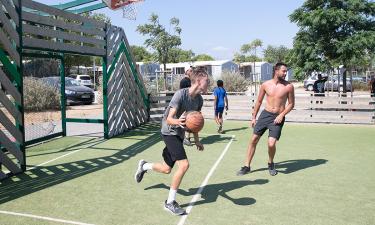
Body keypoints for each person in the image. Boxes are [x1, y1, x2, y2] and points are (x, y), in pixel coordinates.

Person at [134, 68, 209, 215]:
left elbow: (195, 124)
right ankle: (170, 203)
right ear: (199, 81)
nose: (209, 84)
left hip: (179, 134)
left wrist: (197, 141)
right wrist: (178, 121)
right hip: (169, 131)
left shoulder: (199, 100)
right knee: (184, 165)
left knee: (166, 169)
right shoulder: (180, 95)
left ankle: (144, 166)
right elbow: (169, 119)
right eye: (207, 81)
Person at [237, 62, 295, 176]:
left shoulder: (289, 86)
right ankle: (246, 166)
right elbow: (258, 101)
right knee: (253, 139)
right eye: (283, 71)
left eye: (286, 71)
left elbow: (291, 104)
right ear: (276, 71)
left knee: (271, 143)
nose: (285, 73)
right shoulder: (265, 85)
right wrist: (253, 117)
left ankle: (271, 163)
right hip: (265, 115)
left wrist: (281, 115)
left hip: (278, 117)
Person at [180, 66, 194, 146]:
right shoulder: (184, 81)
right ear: (186, 71)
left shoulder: (190, 81)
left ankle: (186, 138)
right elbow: (182, 93)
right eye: (191, 71)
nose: (192, 72)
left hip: (189, 104)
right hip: (185, 105)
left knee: (189, 121)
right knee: (187, 122)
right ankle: (186, 138)